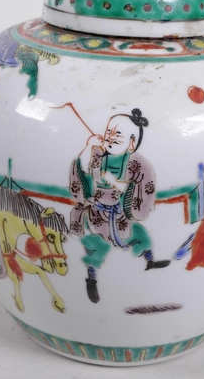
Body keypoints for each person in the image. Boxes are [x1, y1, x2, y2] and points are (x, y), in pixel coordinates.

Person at [69, 109, 170, 303]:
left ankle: (150, 261)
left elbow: (144, 185)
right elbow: (82, 168)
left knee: (140, 235)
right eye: (109, 133)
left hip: (122, 214)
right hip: (98, 214)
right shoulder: (98, 155)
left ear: (131, 143)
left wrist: (118, 184)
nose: (111, 137)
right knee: (95, 247)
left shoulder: (136, 163)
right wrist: (88, 147)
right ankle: (91, 279)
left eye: (118, 135)